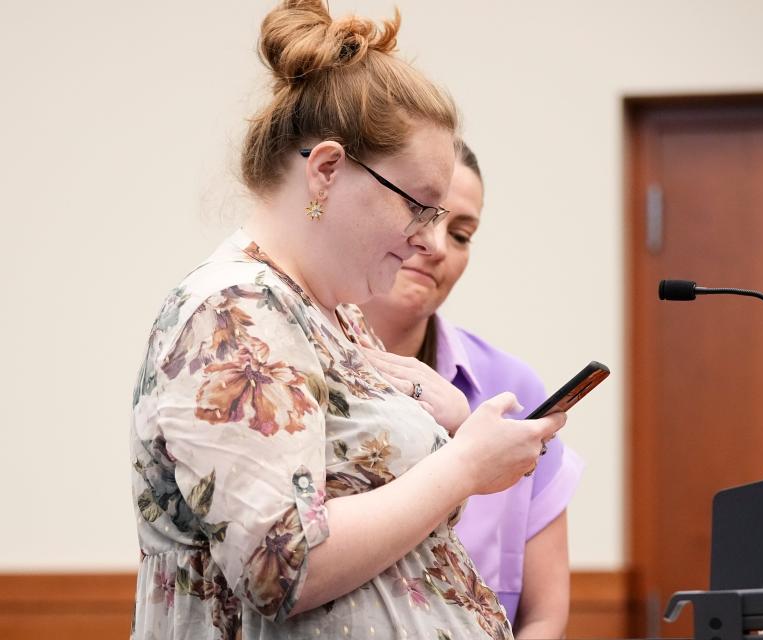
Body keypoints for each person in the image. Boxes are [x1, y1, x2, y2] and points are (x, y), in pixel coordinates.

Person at [128, 2, 566, 638]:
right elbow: (281, 567)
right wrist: (463, 465)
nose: (428, 240)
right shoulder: (235, 311)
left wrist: (445, 416)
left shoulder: (332, 318)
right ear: (327, 170)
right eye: (420, 206)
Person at [360, 144, 583, 639]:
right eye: (419, 213)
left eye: (461, 234)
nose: (437, 245)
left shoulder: (512, 390)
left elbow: (545, 616)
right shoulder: (294, 368)